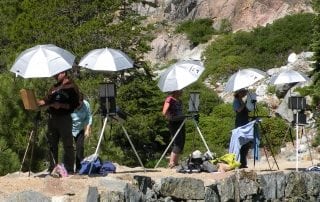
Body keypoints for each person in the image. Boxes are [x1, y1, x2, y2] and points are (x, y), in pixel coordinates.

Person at [38, 71, 79, 174]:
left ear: (64, 73)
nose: (55, 76)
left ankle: (69, 169)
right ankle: (53, 167)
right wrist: (37, 102)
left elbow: (76, 104)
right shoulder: (54, 87)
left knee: (67, 144)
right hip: (52, 118)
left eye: (57, 74)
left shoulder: (72, 87)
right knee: (52, 144)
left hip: (64, 118)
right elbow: (46, 100)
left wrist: (61, 105)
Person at [162, 90, 186, 168]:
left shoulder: (180, 100)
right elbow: (164, 112)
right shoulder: (169, 99)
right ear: (176, 91)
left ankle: (176, 162)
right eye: (181, 90)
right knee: (177, 141)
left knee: (182, 141)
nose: (182, 92)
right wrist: (169, 116)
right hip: (174, 122)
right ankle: (171, 162)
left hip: (181, 121)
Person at [71, 93, 93, 172]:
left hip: (80, 129)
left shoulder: (86, 104)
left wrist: (88, 128)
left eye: (80, 104)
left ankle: (79, 168)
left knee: (80, 148)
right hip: (70, 127)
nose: (78, 106)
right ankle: (68, 168)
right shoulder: (70, 104)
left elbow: (89, 116)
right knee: (68, 148)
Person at [233, 88, 251, 168]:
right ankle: (240, 162)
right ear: (239, 93)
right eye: (243, 92)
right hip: (240, 124)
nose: (244, 94)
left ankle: (243, 162)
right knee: (241, 143)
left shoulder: (240, 100)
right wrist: (244, 104)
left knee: (246, 143)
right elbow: (238, 110)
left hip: (244, 123)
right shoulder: (236, 101)